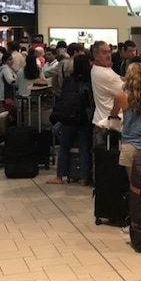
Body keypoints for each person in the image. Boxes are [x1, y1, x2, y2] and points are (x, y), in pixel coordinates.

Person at [109, 60, 141, 234]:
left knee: (135, 186)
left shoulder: (122, 97)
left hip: (131, 145)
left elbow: (113, 116)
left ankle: (136, 222)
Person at [46, 55, 93, 186]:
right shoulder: (89, 80)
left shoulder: (68, 80)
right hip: (83, 118)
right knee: (84, 148)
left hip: (67, 118)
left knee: (64, 147)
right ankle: (84, 177)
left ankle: (60, 176)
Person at [90, 40, 124, 146]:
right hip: (108, 125)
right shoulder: (105, 74)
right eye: (104, 53)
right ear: (96, 55)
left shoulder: (100, 69)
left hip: (103, 122)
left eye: (109, 52)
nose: (109, 56)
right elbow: (127, 92)